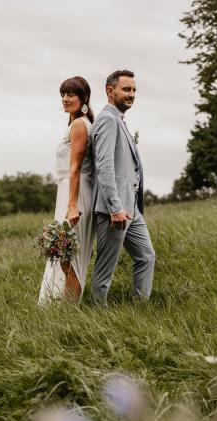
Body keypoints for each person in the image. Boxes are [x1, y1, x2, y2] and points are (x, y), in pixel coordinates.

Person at [90, 70, 155, 305]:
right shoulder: (107, 120)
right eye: (127, 89)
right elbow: (104, 166)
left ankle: (140, 309)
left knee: (146, 256)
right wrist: (115, 207)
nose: (132, 94)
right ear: (110, 91)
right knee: (105, 270)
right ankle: (97, 316)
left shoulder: (120, 120)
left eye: (134, 90)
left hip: (131, 207)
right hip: (114, 209)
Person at [38, 76, 96, 304]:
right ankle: (63, 306)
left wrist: (72, 205)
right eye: (63, 94)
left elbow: (75, 168)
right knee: (64, 252)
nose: (65, 98)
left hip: (76, 194)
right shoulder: (75, 123)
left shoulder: (80, 124)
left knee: (67, 254)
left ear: (84, 98)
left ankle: (70, 309)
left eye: (71, 94)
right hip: (69, 191)